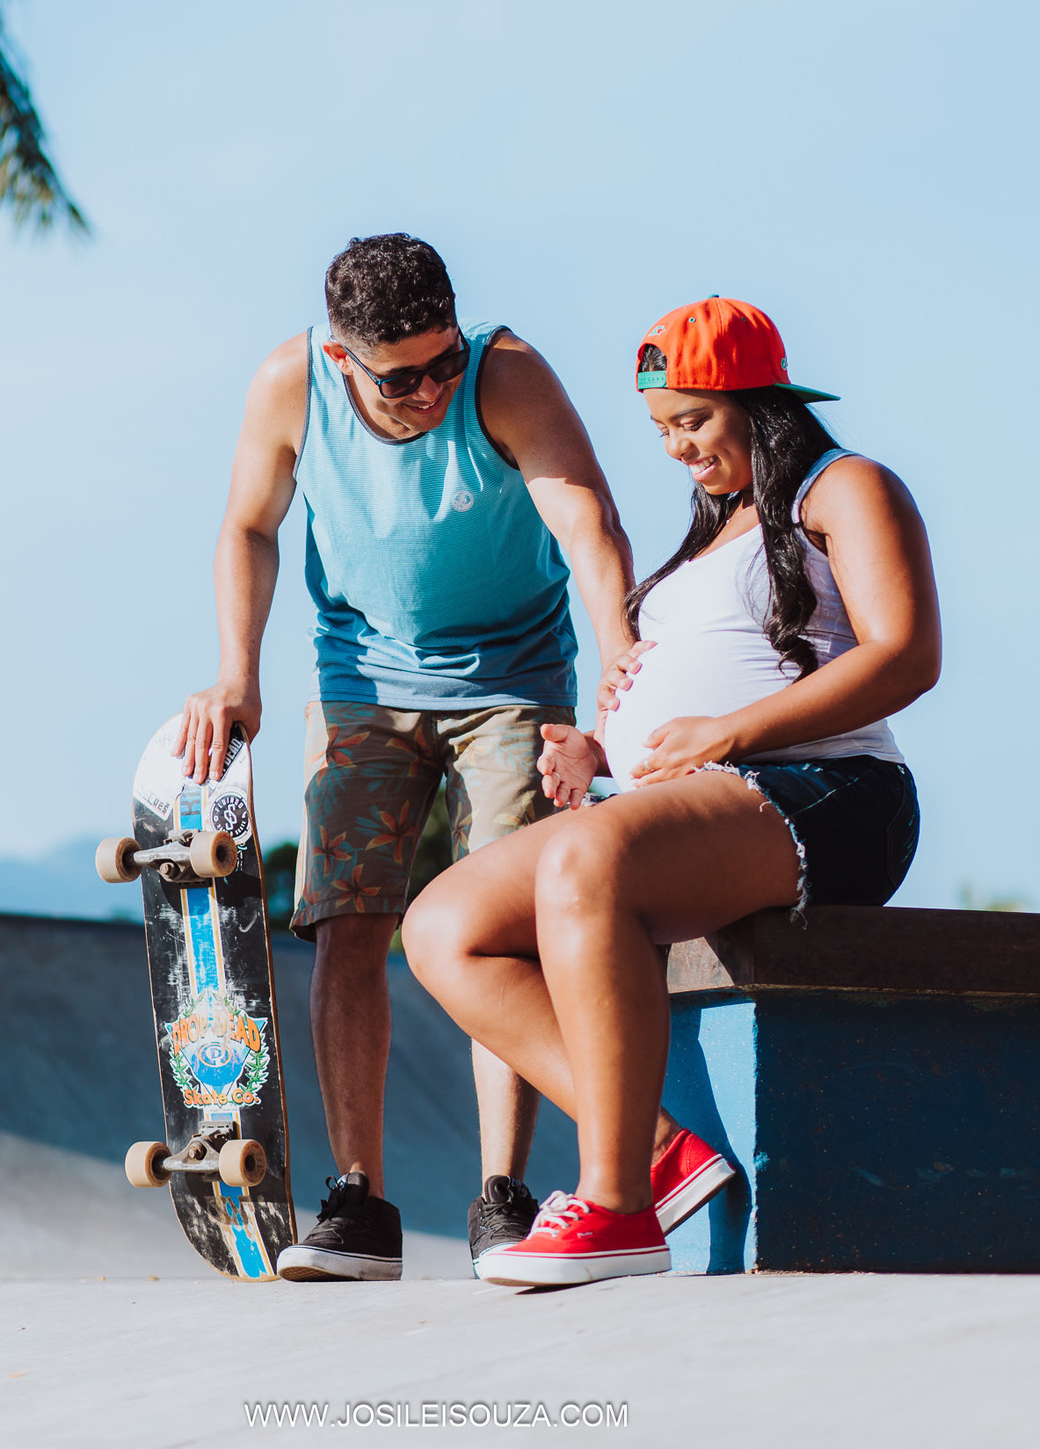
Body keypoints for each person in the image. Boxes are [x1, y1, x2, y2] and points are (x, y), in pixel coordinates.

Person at [402, 296, 941, 1285]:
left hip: (832, 790)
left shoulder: (844, 486)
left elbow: (907, 653)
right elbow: (691, 694)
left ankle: (614, 1210)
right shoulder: (704, 540)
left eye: (693, 419)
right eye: (660, 429)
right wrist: (604, 749)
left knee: (586, 859)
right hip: (708, 797)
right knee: (445, 923)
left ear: (760, 402)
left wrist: (730, 732)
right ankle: (661, 1149)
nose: (677, 448)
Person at [177, 234, 636, 1280]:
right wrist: (235, 671)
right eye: (401, 378)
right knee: (348, 924)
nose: (430, 390)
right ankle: (356, 1203)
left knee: (506, 925)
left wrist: (622, 676)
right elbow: (249, 527)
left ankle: (505, 1196)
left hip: (514, 684)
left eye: (443, 362)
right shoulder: (290, 385)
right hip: (360, 685)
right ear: (343, 361)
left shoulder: (505, 376)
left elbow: (586, 519)